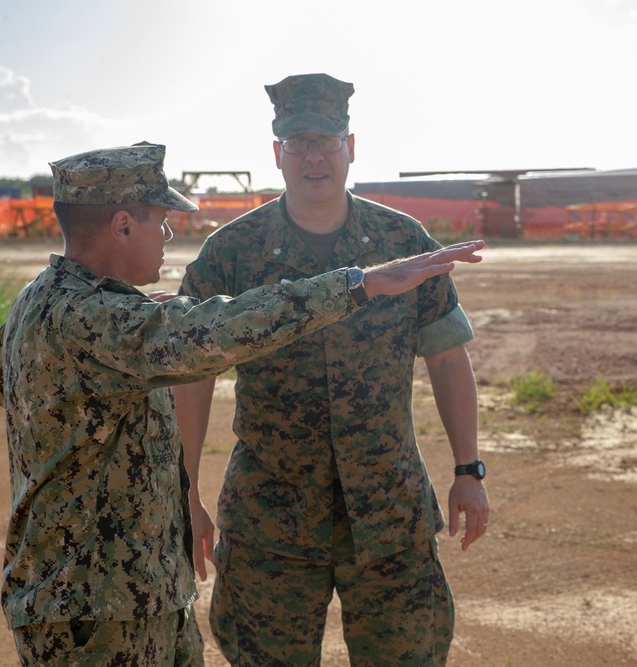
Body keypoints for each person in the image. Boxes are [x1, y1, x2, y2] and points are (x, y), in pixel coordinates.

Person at [0, 141, 484, 667]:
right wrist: (360, 283)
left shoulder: (53, 302)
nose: (169, 235)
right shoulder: (92, 319)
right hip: (95, 611)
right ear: (123, 225)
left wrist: (127, 329)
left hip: (127, 598)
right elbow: (216, 332)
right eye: (161, 220)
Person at [173, 73, 491, 666]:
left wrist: (468, 470)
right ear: (277, 154)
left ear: (351, 146)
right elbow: (193, 376)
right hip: (272, 523)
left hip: (389, 513)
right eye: (297, 144)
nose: (313, 156)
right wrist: (185, 495)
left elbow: (448, 357)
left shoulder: (402, 240)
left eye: (326, 140)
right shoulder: (232, 253)